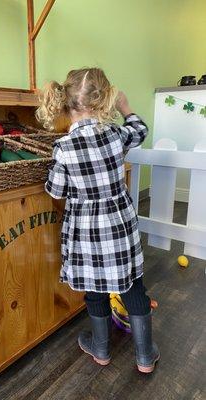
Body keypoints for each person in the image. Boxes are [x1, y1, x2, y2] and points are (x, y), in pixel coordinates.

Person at [36, 67, 160, 373]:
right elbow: (141, 130)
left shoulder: (63, 147)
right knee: (132, 286)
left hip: (86, 229)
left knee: (95, 289)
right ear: (105, 100)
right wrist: (126, 107)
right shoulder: (116, 134)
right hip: (119, 223)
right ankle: (145, 356)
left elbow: (56, 190)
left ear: (66, 103)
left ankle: (101, 349)